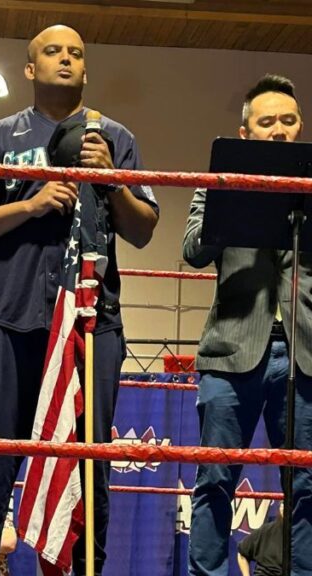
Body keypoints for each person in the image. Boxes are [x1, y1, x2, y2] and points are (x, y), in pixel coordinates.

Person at [0, 24, 158, 576]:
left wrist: (112, 180)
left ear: (86, 70)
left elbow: (144, 231)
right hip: (11, 317)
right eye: (52, 51)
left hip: (93, 321)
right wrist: (32, 204)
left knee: (91, 461)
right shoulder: (0, 136)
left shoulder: (117, 136)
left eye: (75, 53)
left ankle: (87, 565)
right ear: (29, 68)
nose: (65, 59)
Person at [183, 74, 311, 576]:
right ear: (245, 130)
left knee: (306, 485)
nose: (278, 130)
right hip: (231, 351)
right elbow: (192, 249)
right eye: (267, 122)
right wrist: (233, 195)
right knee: (215, 477)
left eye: (288, 120)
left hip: (306, 354)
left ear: (299, 126)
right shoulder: (219, 178)